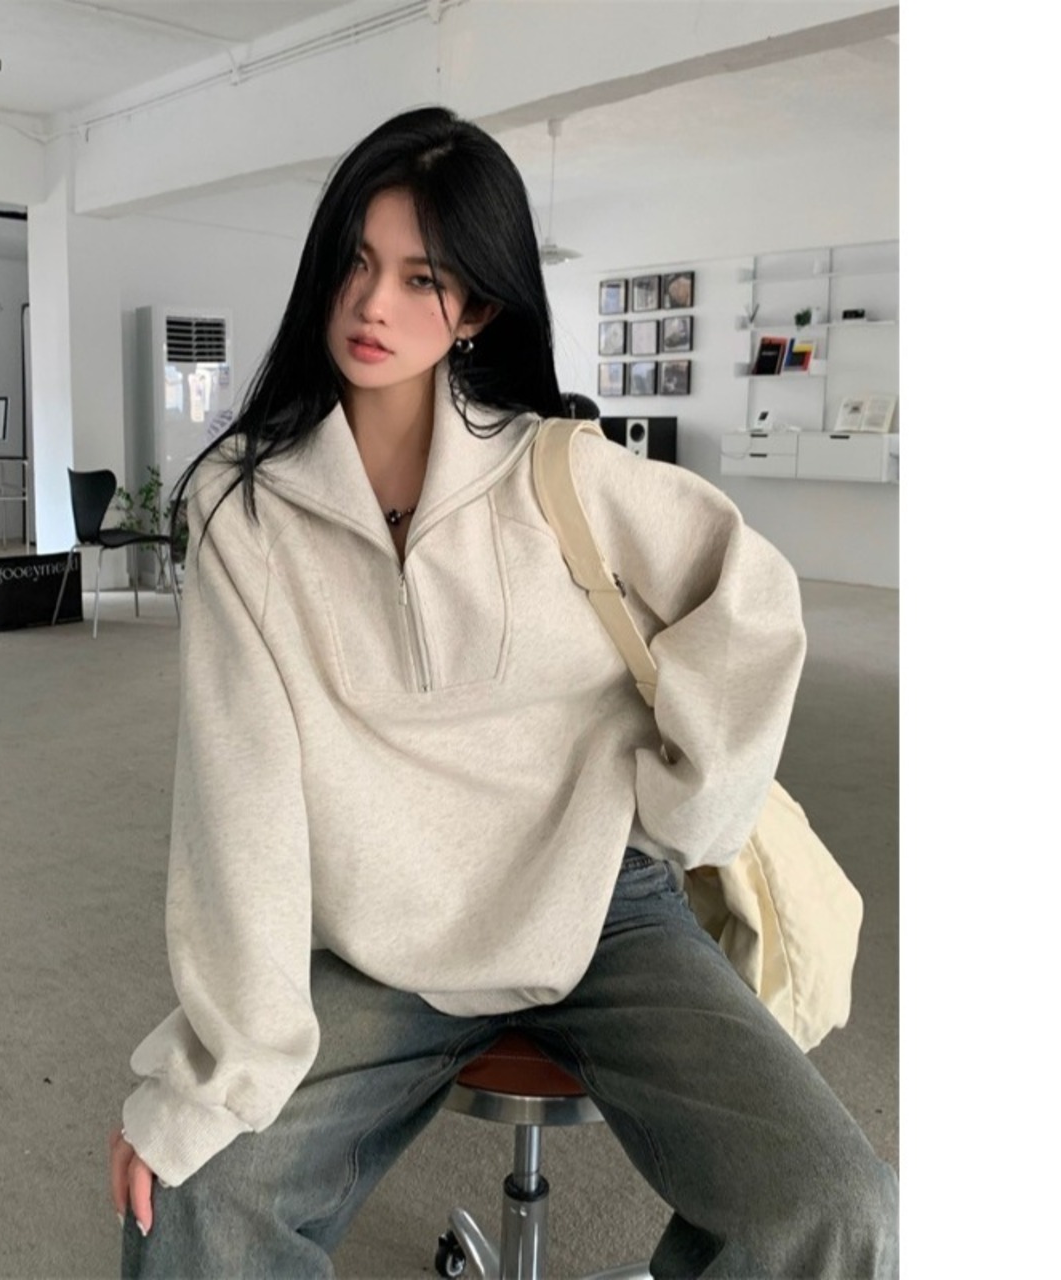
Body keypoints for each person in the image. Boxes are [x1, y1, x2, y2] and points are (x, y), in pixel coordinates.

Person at [109, 106, 898, 1278]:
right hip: (381, 936)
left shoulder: (559, 471)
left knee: (836, 1207)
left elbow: (752, 602)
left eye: (420, 277)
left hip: (599, 912)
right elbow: (241, 804)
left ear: (475, 306)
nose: (371, 303)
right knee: (193, 1199)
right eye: (355, 261)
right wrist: (210, 1080)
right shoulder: (246, 507)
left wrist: (684, 808)